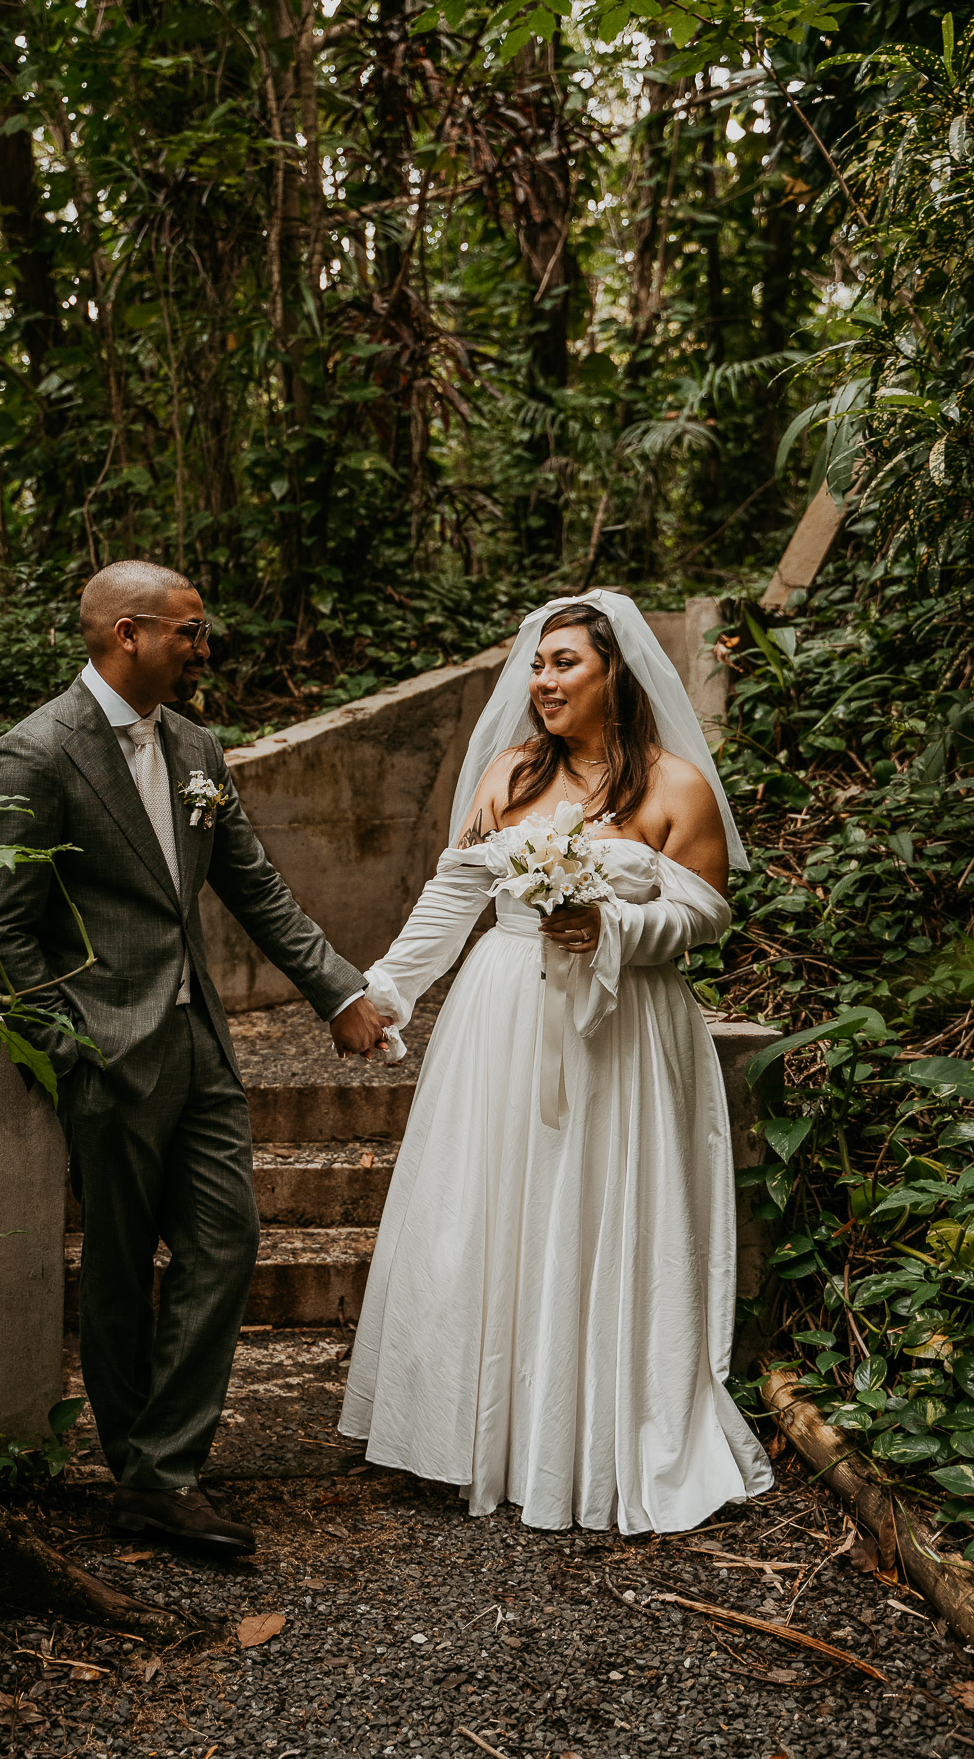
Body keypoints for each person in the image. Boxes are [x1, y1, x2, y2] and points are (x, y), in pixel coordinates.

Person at [0, 560, 386, 1557]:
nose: (205, 648)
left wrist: (339, 989)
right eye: (190, 632)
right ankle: (145, 1474)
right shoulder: (36, 752)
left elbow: (252, 884)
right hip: (105, 1051)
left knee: (226, 1241)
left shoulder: (197, 744)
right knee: (116, 1272)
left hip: (199, 1044)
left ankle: (162, 1470)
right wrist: (70, 1047)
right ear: (125, 634)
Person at [338, 592, 774, 1534]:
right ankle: (483, 1434)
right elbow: (452, 897)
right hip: (502, 1023)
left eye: (565, 663)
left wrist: (610, 923)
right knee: (495, 1210)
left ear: (615, 674)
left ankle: (601, 1435)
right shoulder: (505, 773)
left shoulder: (674, 787)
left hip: (622, 1027)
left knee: (603, 1210)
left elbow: (704, 915)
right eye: (536, 664)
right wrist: (383, 992)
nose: (542, 681)